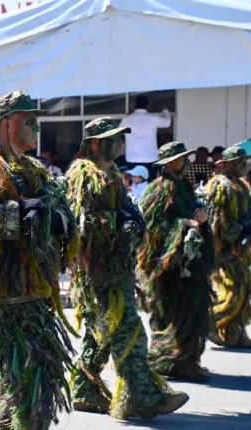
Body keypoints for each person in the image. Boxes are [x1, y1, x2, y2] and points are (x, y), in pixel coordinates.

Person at [0, 90, 76, 429]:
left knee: (29, 371)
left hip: (37, 284)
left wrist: (57, 217)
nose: (37, 129)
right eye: (30, 122)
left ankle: (5, 424)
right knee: (31, 370)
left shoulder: (36, 170)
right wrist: (19, 211)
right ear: (7, 124)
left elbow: (61, 215)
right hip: (8, 288)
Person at [66, 117, 188, 420]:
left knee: (100, 335)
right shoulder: (84, 174)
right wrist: (117, 222)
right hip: (98, 271)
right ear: (96, 143)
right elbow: (78, 222)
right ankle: (142, 397)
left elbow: (127, 211)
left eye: (122, 137)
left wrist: (131, 219)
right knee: (129, 330)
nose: (121, 143)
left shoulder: (113, 174)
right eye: (115, 138)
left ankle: (83, 389)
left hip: (114, 266)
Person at [138, 142, 215, 381]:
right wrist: (184, 224)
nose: (186, 163)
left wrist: (202, 221)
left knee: (193, 311)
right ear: (171, 162)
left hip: (191, 262)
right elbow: (152, 227)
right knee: (169, 312)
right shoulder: (159, 190)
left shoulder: (185, 188)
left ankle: (186, 361)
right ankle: (167, 359)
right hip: (169, 266)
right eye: (182, 159)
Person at [205, 146, 251, 348]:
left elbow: (247, 214)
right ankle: (210, 321)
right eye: (242, 161)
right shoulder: (220, 185)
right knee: (235, 289)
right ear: (230, 163)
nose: (245, 165)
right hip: (224, 249)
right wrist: (236, 235)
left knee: (245, 289)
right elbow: (218, 220)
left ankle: (235, 335)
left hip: (240, 248)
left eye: (246, 161)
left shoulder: (243, 185)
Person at [120, 95, 171, 180]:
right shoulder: (152, 119)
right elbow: (167, 122)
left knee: (134, 188)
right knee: (150, 187)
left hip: (132, 158)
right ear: (147, 106)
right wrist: (165, 110)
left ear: (135, 105)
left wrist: (128, 116)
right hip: (150, 158)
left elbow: (119, 131)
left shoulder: (127, 120)